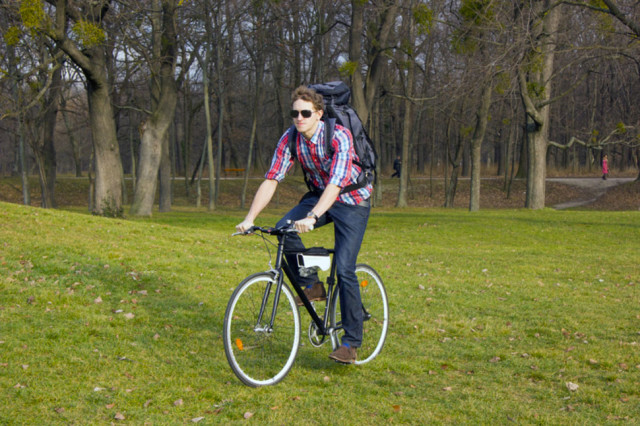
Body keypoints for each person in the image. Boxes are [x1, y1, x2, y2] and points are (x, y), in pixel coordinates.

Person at [236, 85, 372, 364]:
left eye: (305, 113)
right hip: (319, 195)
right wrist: (249, 219)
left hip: (352, 200)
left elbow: (336, 183)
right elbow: (272, 178)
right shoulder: (290, 139)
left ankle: (350, 343)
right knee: (283, 228)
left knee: (345, 268)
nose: (299, 118)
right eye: (294, 113)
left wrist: (312, 217)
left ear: (318, 114)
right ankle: (312, 285)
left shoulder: (339, 136)